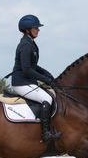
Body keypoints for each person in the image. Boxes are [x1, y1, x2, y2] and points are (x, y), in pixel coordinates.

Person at [11, 14, 61, 143]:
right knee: (47, 98)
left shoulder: (30, 43)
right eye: (35, 28)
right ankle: (46, 134)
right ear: (27, 30)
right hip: (21, 82)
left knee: (50, 95)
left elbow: (34, 66)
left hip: (27, 81)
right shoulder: (26, 45)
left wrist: (47, 74)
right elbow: (27, 70)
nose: (38, 30)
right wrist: (45, 79)